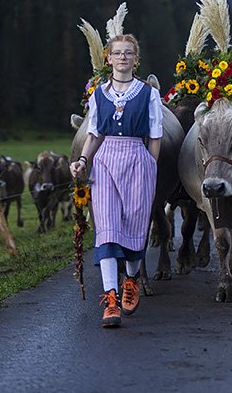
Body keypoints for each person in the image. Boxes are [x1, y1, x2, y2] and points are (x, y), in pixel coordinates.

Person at [70, 34, 162, 328]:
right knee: (107, 228)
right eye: (117, 53)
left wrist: (150, 163)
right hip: (106, 160)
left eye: (128, 53)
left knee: (134, 225)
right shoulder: (99, 93)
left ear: (136, 58)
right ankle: (110, 299)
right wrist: (83, 160)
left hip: (137, 157)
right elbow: (94, 133)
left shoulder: (148, 93)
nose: (122, 58)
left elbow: (156, 135)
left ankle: (131, 279)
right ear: (108, 58)